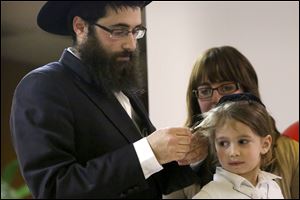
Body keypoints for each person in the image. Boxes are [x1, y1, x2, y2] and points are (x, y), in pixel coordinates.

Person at [9, 1, 204, 198]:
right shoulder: (44, 86)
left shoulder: (122, 88)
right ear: (80, 27)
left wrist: (190, 154)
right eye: (118, 31)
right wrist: (149, 151)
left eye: (135, 31)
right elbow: (54, 190)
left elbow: (151, 179)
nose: (131, 44)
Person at [165, 46, 299, 199]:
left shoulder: (291, 152)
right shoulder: (180, 158)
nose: (216, 99)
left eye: (226, 87)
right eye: (205, 91)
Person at [192, 93, 284, 199]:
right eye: (223, 143)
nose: (233, 152)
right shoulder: (209, 196)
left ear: (265, 144)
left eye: (242, 142)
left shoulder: (273, 187)